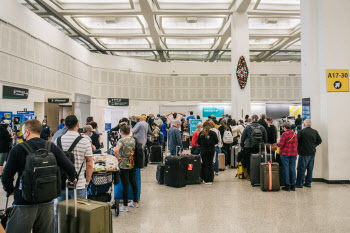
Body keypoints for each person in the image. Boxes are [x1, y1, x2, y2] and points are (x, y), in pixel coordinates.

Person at [1, 119, 76, 233]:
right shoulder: (51, 147)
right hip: (47, 202)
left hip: (24, 202)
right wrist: (71, 179)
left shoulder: (18, 149)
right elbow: (70, 167)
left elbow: (6, 175)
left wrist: (10, 190)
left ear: (27, 132)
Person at [55, 115, 93, 211]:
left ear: (65, 126)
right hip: (79, 183)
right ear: (77, 124)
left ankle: (60, 226)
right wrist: (87, 180)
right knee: (80, 212)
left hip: (62, 183)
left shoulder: (57, 140)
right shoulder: (85, 142)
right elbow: (89, 163)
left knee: (60, 212)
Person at [114, 124, 139, 212]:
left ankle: (125, 206)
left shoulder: (121, 140)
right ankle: (135, 202)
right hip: (132, 162)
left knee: (125, 185)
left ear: (121, 132)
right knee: (133, 182)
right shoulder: (133, 139)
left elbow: (115, 150)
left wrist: (117, 158)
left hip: (124, 164)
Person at [296, 119, 322, 188]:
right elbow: (320, 140)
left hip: (303, 153)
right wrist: (314, 145)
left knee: (301, 168)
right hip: (312, 152)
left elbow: (296, 141)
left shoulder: (301, 132)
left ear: (304, 124)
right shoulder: (314, 132)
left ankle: (299, 183)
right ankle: (308, 183)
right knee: (310, 169)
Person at [277, 122, 298, 191]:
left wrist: (277, 142)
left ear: (284, 127)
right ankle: (293, 185)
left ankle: (287, 185)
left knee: (286, 168)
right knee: (292, 168)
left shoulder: (284, 134)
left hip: (285, 153)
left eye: (283, 128)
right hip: (294, 153)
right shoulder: (294, 134)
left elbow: (280, 145)